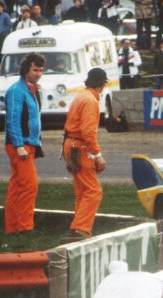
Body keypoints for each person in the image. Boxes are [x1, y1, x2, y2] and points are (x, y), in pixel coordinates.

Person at [62, 67, 108, 239]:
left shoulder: (81, 96)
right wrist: (97, 155)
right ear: (102, 84)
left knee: (82, 190)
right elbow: (88, 132)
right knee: (93, 191)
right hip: (79, 147)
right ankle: (80, 229)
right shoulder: (90, 100)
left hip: (72, 144)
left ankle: (77, 228)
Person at [4, 52, 45, 235]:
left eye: (41, 70)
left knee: (17, 185)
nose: (38, 73)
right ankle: (25, 227)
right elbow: (13, 120)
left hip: (28, 143)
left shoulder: (33, 90)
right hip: (19, 145)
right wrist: (19, 145)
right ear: (26, 69)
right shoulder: (16, 91)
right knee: (30, 185)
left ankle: (12, 227)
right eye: (35, 69)